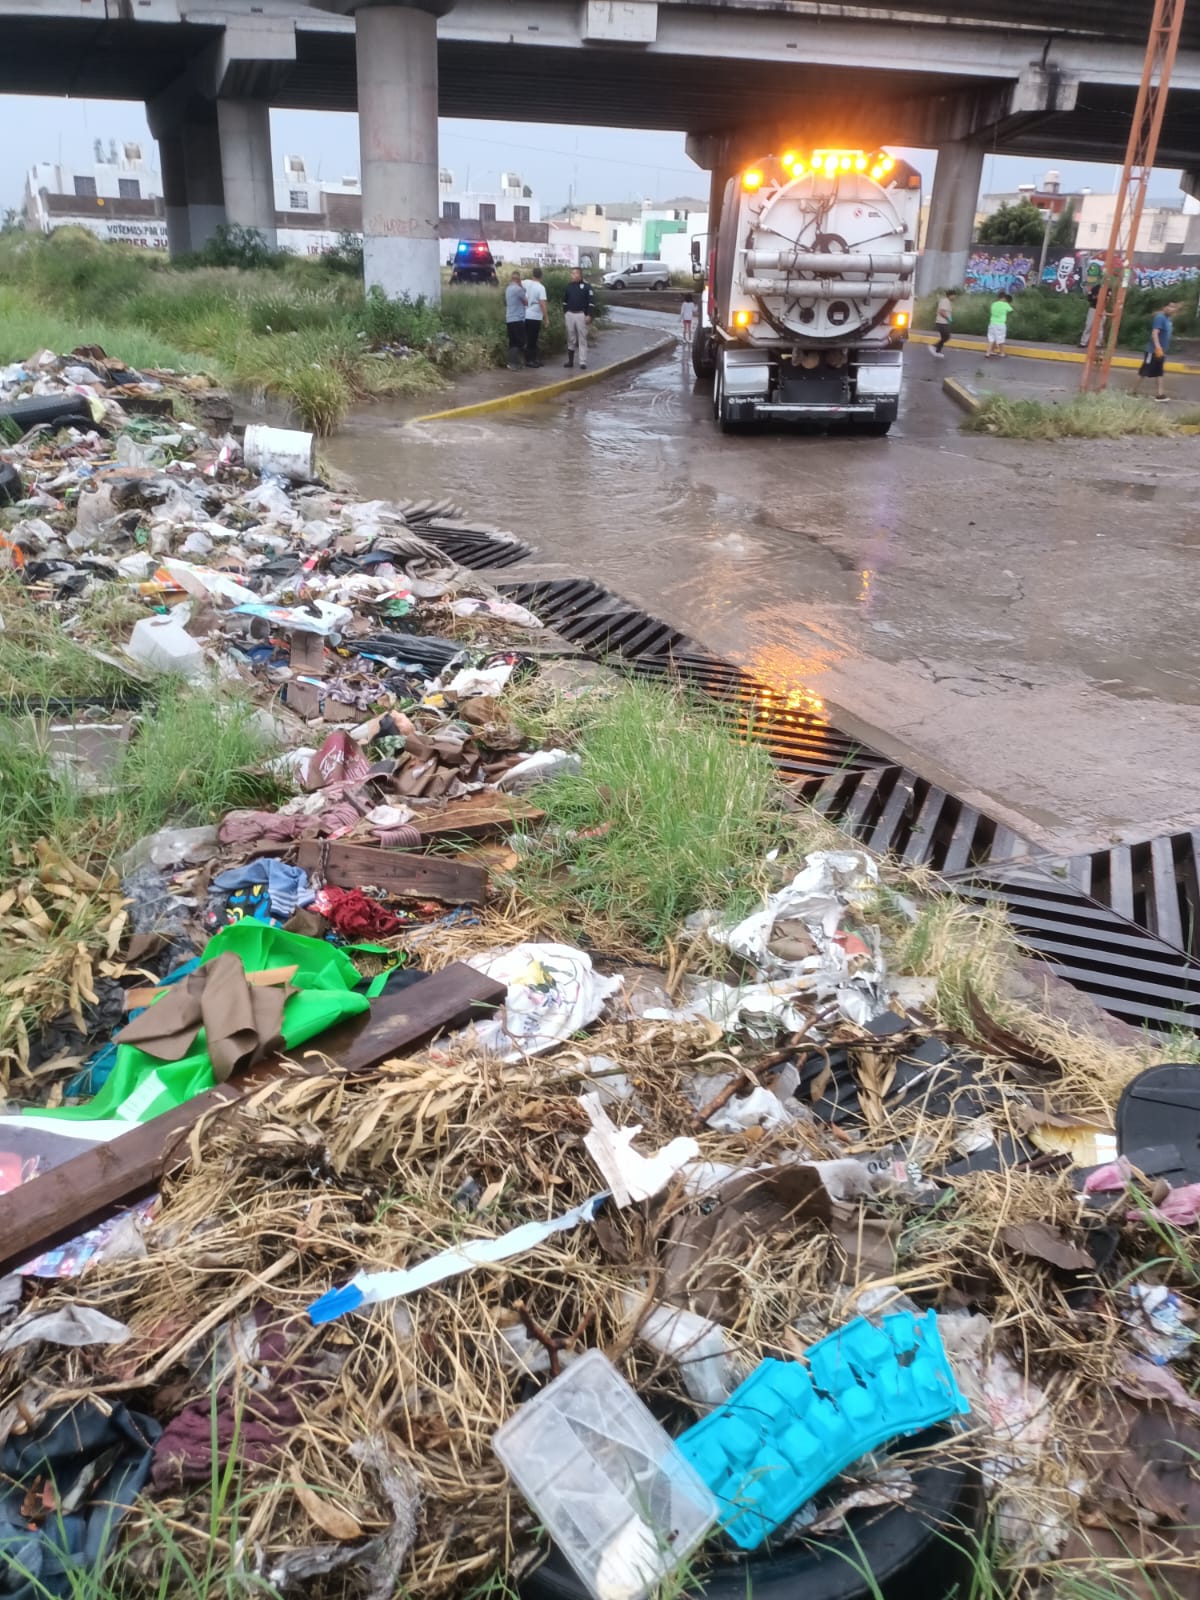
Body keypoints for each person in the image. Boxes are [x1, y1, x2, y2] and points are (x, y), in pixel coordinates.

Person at [1136, 299, 1180, 402]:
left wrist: (1161, 350)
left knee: (1159, 372)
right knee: (1144, 372)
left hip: (1161, 352)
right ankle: (1132, 392)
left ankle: (1160, 395)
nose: (1172, 309)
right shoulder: (1160, 318)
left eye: (1174, 307)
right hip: (1153, 351)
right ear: (1165, 307)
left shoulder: (1168, 319)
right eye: (1170, 306)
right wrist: (1158, 347)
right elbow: (1155, 333)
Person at [562, 266, 596, 369]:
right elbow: (565, 301)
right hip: (570, 314)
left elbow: (591, 302)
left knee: (582, 338)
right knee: (571, 337)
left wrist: (589, 314)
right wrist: (565, 312)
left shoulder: (587, 287)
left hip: (581, 314)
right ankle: (570, 361)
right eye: (571, 273)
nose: (572, 275)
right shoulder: (569, 286)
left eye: (574, 273)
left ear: (579, 275)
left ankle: (582, 362)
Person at [523, 266, 548, 368]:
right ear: (541, 276)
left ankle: (532, 359)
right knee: (533, 339)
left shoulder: (525, 282)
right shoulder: (541, 288)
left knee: (528, 338)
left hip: (525, 314)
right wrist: (546, 318)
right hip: (535, 317)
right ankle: (530, 360)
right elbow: (542, 304)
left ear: (532, 274)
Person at [504, 271, 526, 371]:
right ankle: (515, 363)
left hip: (509, 318)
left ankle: (511, 363)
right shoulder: (518, 289)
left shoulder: (508, 289)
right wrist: (521, 286)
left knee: (512, 342)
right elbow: (526, 302)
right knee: (520, 342)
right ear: (518, 279)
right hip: (518, 318)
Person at [931, 289, 957, 358]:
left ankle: (937, 351)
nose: (955, 297)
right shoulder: (945, 301)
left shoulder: (947, 302)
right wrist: (948, 319)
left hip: (944, 323)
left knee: (944, 337)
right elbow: (941, 311)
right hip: (941, 323)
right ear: (950, 295)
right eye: (954, 296)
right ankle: (934, 346)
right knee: (946, 337)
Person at [986, 292, 1013, 358]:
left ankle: (988, 352)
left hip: (992, 323)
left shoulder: (993, 304)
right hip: (1000, 324)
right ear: (1004, 298)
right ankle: (1002, 353)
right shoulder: (1005, 304)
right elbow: (1011, 310)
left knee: (991, 338)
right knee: (1001, 338)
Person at [1080, 280, 1101, 349]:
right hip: (1093, 308)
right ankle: (1083, 342)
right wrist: (1095, 297)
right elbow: (1090, 298)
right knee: (1089, 325)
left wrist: (1098, 297)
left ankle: (1097, 344)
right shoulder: (1095, 288)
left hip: (1102, 309)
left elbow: (1108, 299)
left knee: (1100, 327)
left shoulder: (1108, 289)